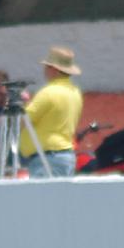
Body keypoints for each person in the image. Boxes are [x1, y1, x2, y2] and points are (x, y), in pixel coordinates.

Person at [19, 46, 83, 178]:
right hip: (65, 155)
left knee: (43, 192)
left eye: (47, 67)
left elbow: (24, 120)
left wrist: (19, 106)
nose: (45, 70)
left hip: (47, 158)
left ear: (54, 69)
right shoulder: (75, 92)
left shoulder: (48, 92)